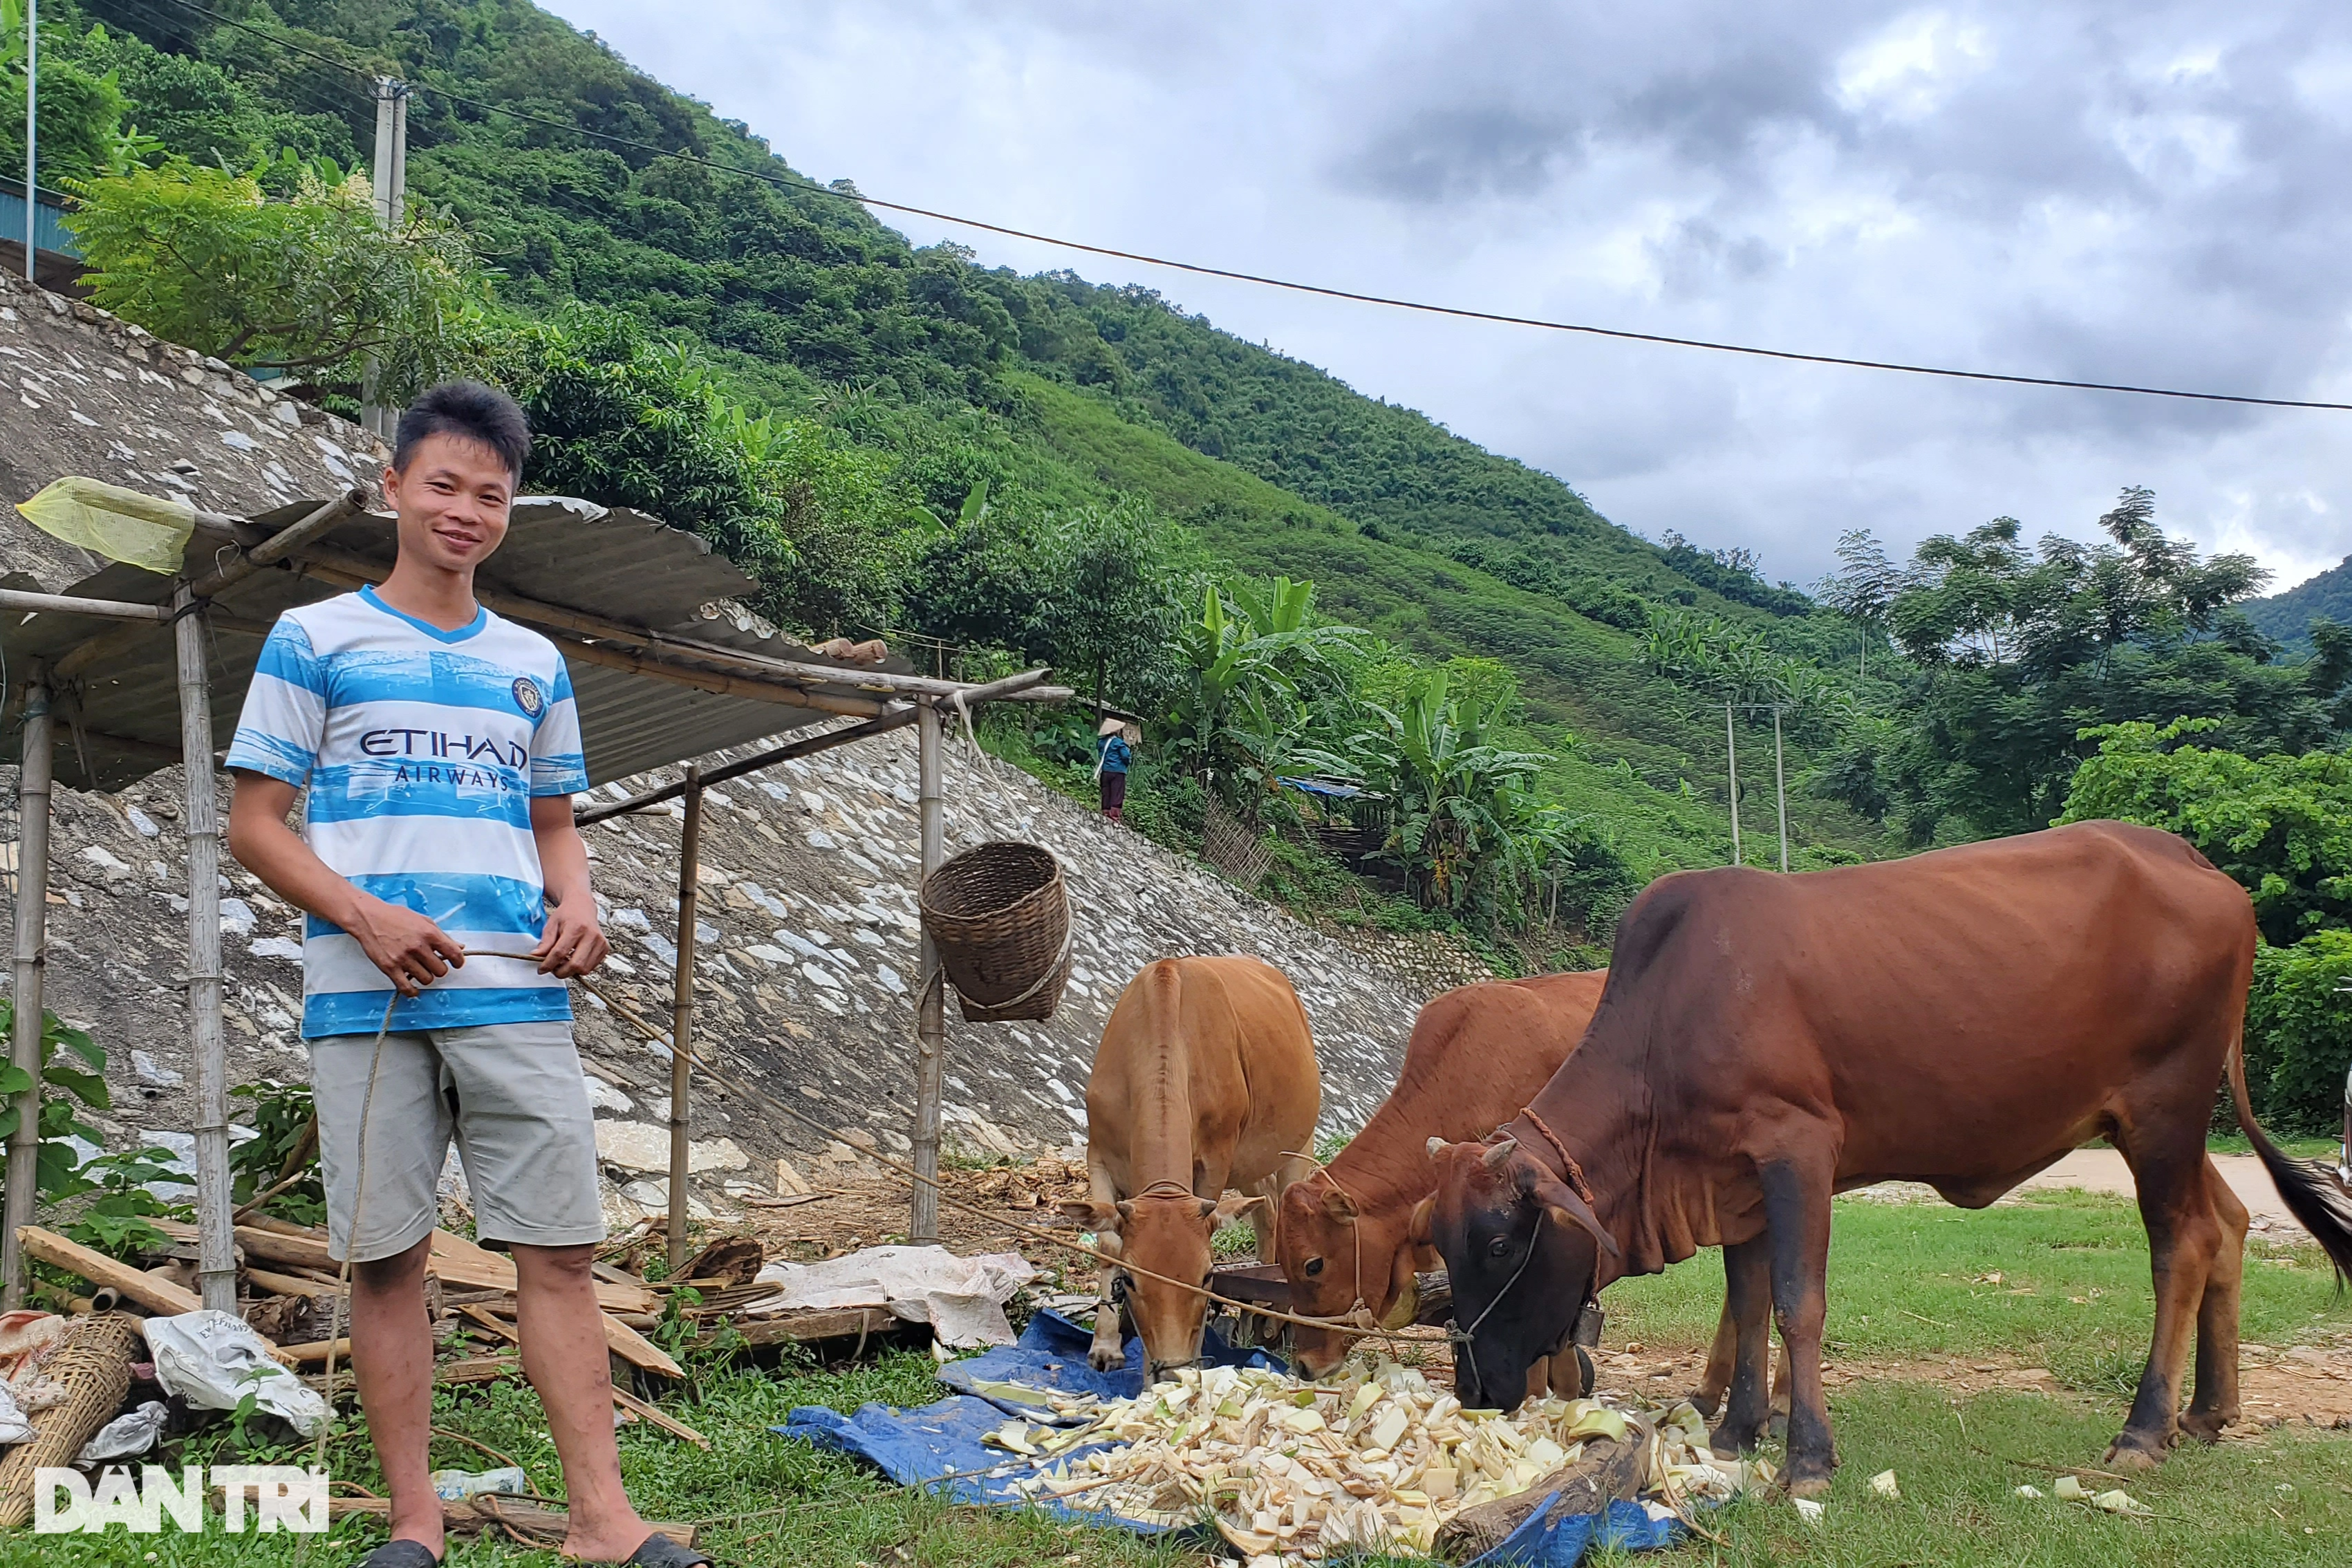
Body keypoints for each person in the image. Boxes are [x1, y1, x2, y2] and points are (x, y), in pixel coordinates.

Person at [223, 382, 709, 1568]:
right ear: (392, 487)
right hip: (364, 994)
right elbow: (255, 821)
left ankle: (604, 1519)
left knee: (557, 1252)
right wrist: (363, 914)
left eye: (488, 494)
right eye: (442, 484)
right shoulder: (316, 638)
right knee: (388, 1259)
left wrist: (579, 900)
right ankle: (415, 1523)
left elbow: (553, 824)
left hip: (515, 992)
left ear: (506, 513)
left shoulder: (531, 661)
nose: (464, 510)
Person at [1094, 716, 1136, 821]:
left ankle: (1106, 813)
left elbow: (1101, 754)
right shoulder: (1118, 742)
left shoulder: (1101, 742)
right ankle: (1114, 816)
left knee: (1106, 792)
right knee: (1117, 793)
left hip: (1105, 771)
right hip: (1118, 771)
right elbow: (1125, 756)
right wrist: (1126, 764)